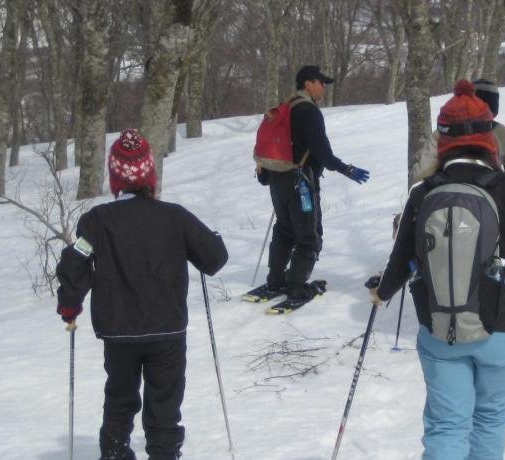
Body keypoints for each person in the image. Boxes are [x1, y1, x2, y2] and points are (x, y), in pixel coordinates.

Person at [369, 81, 505, 459]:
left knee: (447, 424)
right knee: (490, 415)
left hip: (440, 326)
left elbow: (400, 260)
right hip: (502, 327)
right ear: (489, 137)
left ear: (443, 140)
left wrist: (382, 292)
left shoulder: (422, 193)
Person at [55, 128, 228, 460]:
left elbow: (77, 259)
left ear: (116, 179)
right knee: (164, 406)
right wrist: (213, 240)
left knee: (119, 400)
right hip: (167, 332)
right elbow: (214, 258)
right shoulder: (174, 217)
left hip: (118, 332)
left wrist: (69, 303)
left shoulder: (97, 222)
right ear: (150, 176)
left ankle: (115, 453)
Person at [260, 65, 370, 303]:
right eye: (321, 83)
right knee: (310, 236)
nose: (324, 88)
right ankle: (296, 286)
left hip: (277, 179)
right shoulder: (308, 111)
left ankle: (275, 280)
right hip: (301, 181)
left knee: (284, 229)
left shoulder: (286, 107)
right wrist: (347, 169)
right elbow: (323, 152)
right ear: (308, 83)